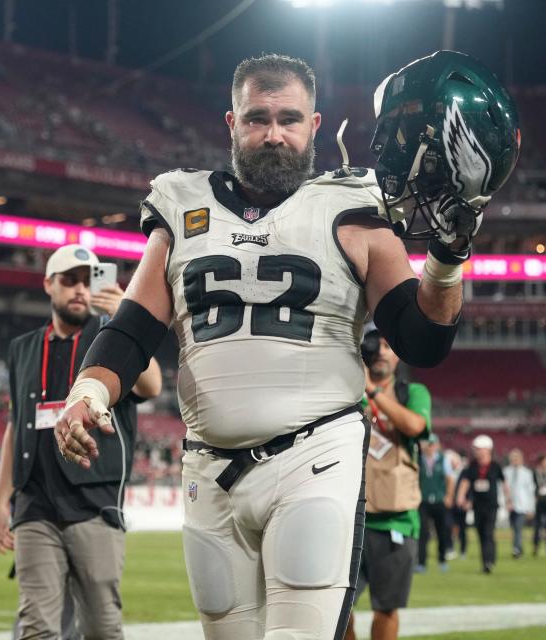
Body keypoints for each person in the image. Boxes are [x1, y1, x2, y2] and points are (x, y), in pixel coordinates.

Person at [54, 51, 519, 640]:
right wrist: (88, 392)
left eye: (289, 118)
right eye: (257, 118)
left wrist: (448, 260)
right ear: (231, 122)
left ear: (315, 125)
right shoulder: (182, 202)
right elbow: (132, 328)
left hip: (314, 457)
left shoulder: (355, 207)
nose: (273, 134)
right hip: (207, 466)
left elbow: (421, 339)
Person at [0, 244, 162, 639]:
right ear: (48, 284)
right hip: (34, 504)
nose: (81, 290)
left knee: (102, 627)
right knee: (36, 626)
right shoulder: (23, 348)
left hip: (94, 504)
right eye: (69, 281)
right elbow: (15, 426)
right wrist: (2, 500)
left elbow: (152, 385)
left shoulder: (110, 336)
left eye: (88, 282)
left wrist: (125, 318)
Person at [347, 333, 430, 640]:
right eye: (375, 345)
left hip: (396, 519)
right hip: (348, 517)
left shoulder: (413, 392)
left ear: (399, 356)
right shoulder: (346, 392)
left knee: (387, 608)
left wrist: (373, 393)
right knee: (339, 610)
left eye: (388, 345)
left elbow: (414, 427)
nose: (381, 351)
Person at [455, 435, 510, 573]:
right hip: (477, 505)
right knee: (480, 533)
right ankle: (486, 561)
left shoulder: (495, 466)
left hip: (491, 505)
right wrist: (461, 497)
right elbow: (465, 482)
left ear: (488, 450)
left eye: (479, 449)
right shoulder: (472, 466)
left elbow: (504, 484)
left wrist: (509, 500)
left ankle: (489, 561)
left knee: (488, 532)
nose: (477, 452)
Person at [416, 433, 454, 573]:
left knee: (442, 532)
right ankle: (421, 563)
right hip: (423, 501)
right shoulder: (419, 460)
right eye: (428, 444)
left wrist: (449, 496)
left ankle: (442, 560)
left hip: (439, 501)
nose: (430, 447)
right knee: (422, 533)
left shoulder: (443, 460)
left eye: (432, 444)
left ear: (437, 446)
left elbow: (450, 479)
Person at [503, 448, 534, 559]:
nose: (515, 460)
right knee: (514, 527)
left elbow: (530, 491)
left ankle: (516, 549)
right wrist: (506, 501)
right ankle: (518, 548)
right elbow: (504, 488)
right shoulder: (506, 471)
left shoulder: (527, 473)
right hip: (510, 504)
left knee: (518, 527)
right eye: (513, 458)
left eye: (517, 458)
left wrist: (531, 507)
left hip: (522, 504)